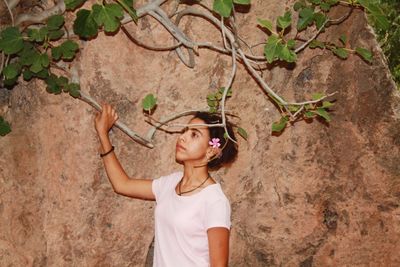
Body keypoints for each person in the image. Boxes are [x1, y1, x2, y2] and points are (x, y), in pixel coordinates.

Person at [94, 103, 238, 267]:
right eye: (185, 131)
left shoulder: (214, 201)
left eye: (194, 135)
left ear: (211, 151)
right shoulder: (170, 183)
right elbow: (122, 184)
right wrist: (103, 134)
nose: (182, 137)